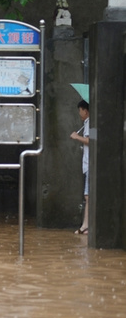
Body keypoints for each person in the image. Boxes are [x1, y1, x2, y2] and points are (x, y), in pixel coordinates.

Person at [71, 99, 90, 234]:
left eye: (80, 110)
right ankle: (86, 225)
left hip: (90, 164)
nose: (79, 113)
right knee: (88, 196)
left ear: (85, 110)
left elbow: (91, 141)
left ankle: (86, 225)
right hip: (88, 164)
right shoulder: (88, 124)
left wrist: (77, 137)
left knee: (88, 196)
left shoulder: (90, 124)